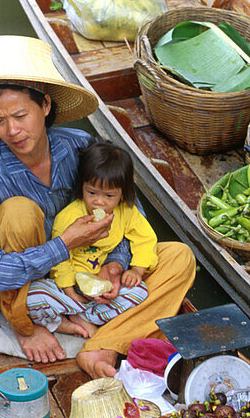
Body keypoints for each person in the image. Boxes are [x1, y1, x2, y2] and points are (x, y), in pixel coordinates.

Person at [0, 35, 195, 376]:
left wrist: (115, 265)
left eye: (21, 115)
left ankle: (103, 345)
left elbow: (130, 216)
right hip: (14, 288)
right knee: (18, 212)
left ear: (46, 106)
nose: (11, 130)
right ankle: (28, 324)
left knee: (179, 257)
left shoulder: (81, 147)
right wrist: (64, 244)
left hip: (82, 271)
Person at [26, 141, 155, 338]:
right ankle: (61, 323)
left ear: (122, 195)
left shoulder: (127, 213)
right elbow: (61, 259)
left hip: (102, 286)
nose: (99, 201)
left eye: (109, 195)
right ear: (82, 187)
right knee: (33, 296)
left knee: (140, 292)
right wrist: (70, 291)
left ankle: (84, 317)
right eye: (91, 192)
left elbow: (145, 238)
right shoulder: (70, 217)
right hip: (67, 288)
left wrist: (137, 269)